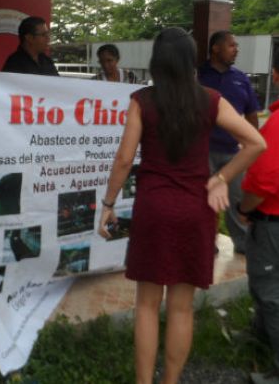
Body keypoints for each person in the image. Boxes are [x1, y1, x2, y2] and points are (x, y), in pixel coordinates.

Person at [98, 27, 265, 384]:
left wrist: (108, 204)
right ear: (191, 59)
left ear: (157, 61)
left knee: (146, 305)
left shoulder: (142, 100)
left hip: (154, 210)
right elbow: (256, 142)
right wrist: (220, 178)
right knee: (181, 308)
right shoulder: (211, 99)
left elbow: (124, 160)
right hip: (195, 211)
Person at [198, 30, 260, 254]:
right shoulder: (198, 76)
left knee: (236, 200)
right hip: (203, 151)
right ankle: (206, 244)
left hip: (234, 153)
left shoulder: (241, 78)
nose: (236, 50)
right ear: (216, 48)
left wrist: (251, 146)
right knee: (205, 201)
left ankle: (243, 247)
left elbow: (251, 114)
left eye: (237, 46)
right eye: (232, 45)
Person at [239, 49, 279, 384]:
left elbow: (265, 181)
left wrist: (244, 208)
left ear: (276, 75)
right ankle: (261, 336)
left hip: (272, 222)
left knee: (269, 291)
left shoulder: (277, 124)